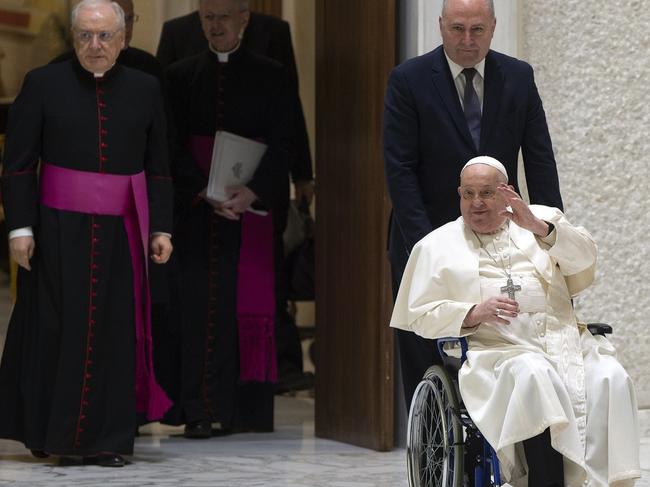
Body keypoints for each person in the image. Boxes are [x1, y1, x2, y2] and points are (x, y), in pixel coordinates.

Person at [391, 156, 641, 487]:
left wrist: (538, 228)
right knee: (535, 375)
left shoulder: (543, 219)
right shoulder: (436, 245)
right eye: (468, 194)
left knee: (611, 377)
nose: (476, 203)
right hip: (498, 353)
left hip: (565, 342)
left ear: (506, 192)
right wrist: (473, 312)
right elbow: (420, 314)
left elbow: (585, 260)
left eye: (486, 193)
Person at [0, 0, 173, 467]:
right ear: (72, 38)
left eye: (104, 36)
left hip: (123, 232)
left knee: (115, 333)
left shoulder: (146, 89)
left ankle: (109, 441)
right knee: (55, 330)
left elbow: (158, 170)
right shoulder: (42, 84)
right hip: (57, 232)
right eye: (85, 36)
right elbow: (17, 166)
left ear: (123, 38)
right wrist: (20, 228)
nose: (95, 46)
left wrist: (161, 227)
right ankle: (51, 434)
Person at [383, 0, 564, 412]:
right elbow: (400, 170)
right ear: (441, 25)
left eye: (478, 30)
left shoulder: (518, 77)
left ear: (494, 27)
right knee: (425, 346)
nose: (467, 40)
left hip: (502, 240)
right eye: (458, 28)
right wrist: (428, 247)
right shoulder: (408, 80)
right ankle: (430, 450)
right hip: (424, 235)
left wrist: (549, 233)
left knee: (504, 342)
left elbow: (540, 162)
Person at [157, 2, 313, 393]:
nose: (215, 25)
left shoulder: (271, 74)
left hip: (253, 209)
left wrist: (256, 190)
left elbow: (285, 136)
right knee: (195, 306)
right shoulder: (180, 76)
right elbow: (170, 142)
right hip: (197, 209)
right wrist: (202, 190)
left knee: (252, 300)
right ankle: (195, 406)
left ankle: (245, 406)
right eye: (208, 18)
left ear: (244, 19)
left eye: (223, 17)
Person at [50, 0, 162, 80]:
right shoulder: (57, 70)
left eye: (128, 19)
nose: (126, 29)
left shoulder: (149, 67)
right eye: (117, 20)